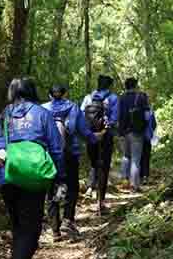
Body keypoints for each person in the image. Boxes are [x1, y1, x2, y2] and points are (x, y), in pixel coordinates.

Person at [0, 77, 65, 259]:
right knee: (31, 229)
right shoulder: (43, 114)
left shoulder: (3, 117)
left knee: (19, 226)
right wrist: (60, 178)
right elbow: (56, 149)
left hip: (6, 176)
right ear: (32, 92)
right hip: (34, 177)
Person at [42, 84, 103, 239]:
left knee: (51, 188)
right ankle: (67, 220)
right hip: (70, 153)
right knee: (72, 188)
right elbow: (83, 130)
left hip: (48, 155)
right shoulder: (73, 107)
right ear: (65, 94)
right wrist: (95, 138)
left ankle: (55, 230)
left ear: (49, 95)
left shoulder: (43, 109)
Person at [81, 75, 119, 215]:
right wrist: (104, 131)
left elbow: (80, 116)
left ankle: (91, 188)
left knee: (94, 164)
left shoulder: (88, 98)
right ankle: (100, 203)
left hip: (90, 137)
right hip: (105, 136)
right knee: (104, 167)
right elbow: (114, 119)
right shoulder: (113, 98)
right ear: (109, 85)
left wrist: (88, 134)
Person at [118, 77, 150, 192]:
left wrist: (120, 131)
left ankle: (123, 180)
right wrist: (146, 126)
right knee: (136, 159)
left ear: (126, 86)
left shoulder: (121, 98)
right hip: (137, 131)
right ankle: (134, 185)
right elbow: (147, 115)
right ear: (135, 85)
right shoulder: (141, 97)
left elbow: (119, 115)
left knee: (126, 156)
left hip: (124, 132)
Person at [140, 110, 157, 184]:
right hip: (147, 137)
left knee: (138, 157)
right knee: (146, 157)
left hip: (138, 137)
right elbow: (154, 124)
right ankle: (145, 176)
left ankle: (138, 177)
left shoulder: (136, 109)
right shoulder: (150, 112)